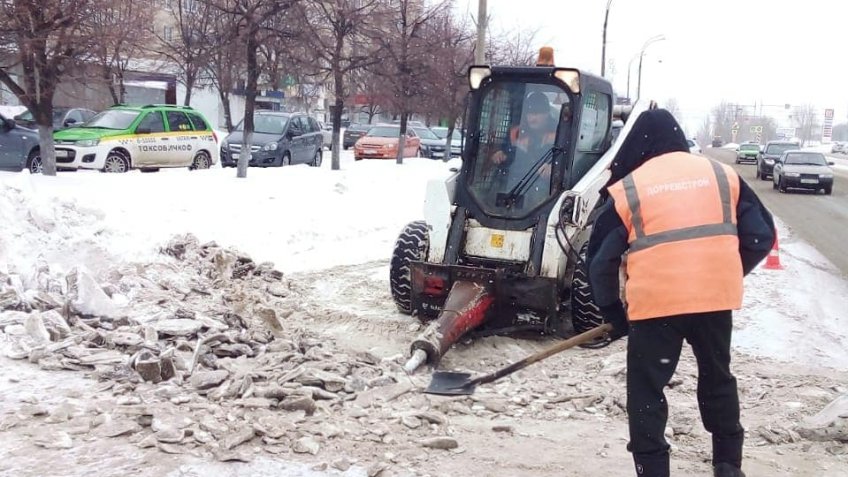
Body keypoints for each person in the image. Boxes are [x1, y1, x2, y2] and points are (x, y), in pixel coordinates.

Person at [586, 109, 775, 477]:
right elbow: (762, 236)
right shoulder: (722, 175)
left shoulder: (629, 187)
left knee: (646, 390)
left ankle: (653, 469)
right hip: (713, 300)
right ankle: (727, 465)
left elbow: (599, 263)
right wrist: (725, 271)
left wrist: (611, 312)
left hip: (655, 306)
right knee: (718, 377)